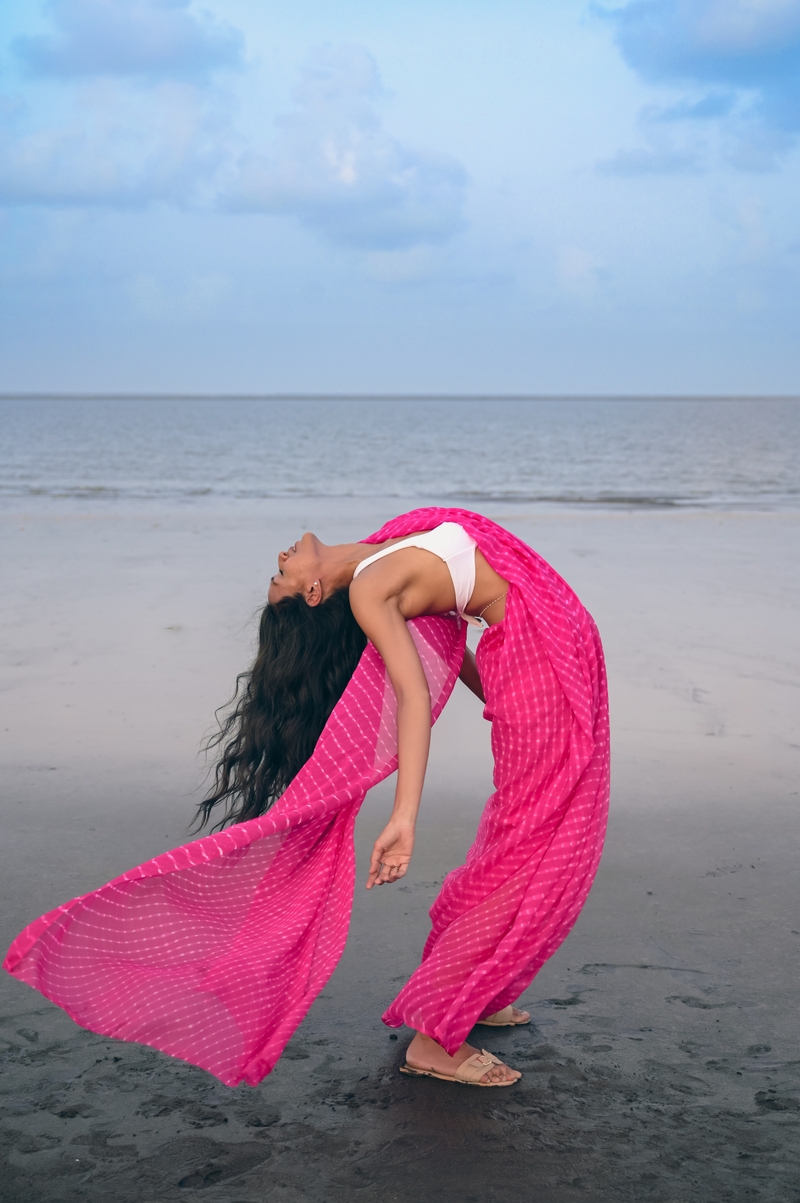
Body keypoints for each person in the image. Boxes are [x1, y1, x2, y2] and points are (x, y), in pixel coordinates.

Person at [4, 508, 609, 1091]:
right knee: (532, 850)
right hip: (541, 673)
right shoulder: (372, 587)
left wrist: (500, 696)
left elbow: (456, 626)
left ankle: (473, 992)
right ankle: (434, 1041)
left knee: (526, 843)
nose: (280, 557)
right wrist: (403, 815)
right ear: (313, 592)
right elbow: (412, 698)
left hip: (539, 665)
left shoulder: (387, 544)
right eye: (279, 577)